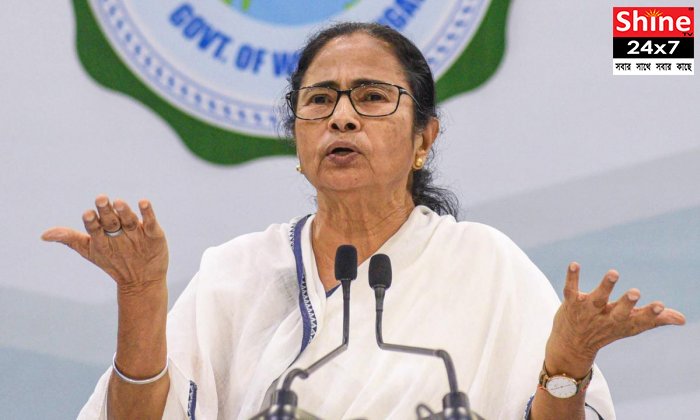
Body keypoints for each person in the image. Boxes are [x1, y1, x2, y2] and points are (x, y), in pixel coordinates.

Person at [42, 22, 685, 420]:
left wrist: (567, 363)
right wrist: (140, 297)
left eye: (373, 97)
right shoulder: (235, 273)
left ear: (424, 138)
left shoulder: (486, 266)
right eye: (319, 100)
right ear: (297, 138)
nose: (342, 117)